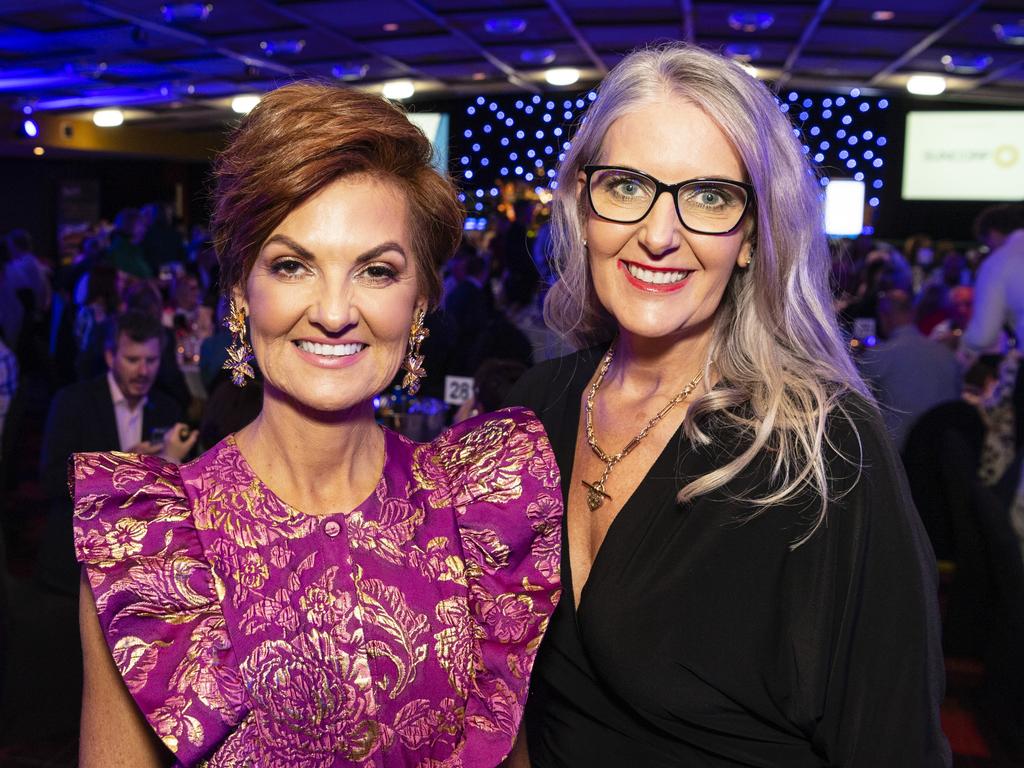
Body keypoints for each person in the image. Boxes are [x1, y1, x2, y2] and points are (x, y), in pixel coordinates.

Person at [73, 82, 561, 767]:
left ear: (421, 301)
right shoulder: (149, 542)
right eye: (293, 265)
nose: (334, 311)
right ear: (242, 290)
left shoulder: (480, 514)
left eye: (377, 271)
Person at [505, 43, 949, 766]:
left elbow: (892, 738)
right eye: (625, 186)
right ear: (582, 205)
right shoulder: (533, 410)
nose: (658, 232)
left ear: (751, 236)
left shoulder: (820, 448)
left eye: (710, 196)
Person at [37, 311, 194, 595]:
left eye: (151, 360)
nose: (143, 371)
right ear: (110, 357)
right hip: (75, 566)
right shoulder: (73, 402)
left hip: (138, 566)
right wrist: (119, 467)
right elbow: (50, 480)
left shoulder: (167, 408)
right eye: (132, 360)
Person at [859, 289, 961, 451]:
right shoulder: (947, 355)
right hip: (944, 456)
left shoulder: (882, 354)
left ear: (885, 317)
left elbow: (855, 398)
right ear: (913, 314)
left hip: (898, 455)